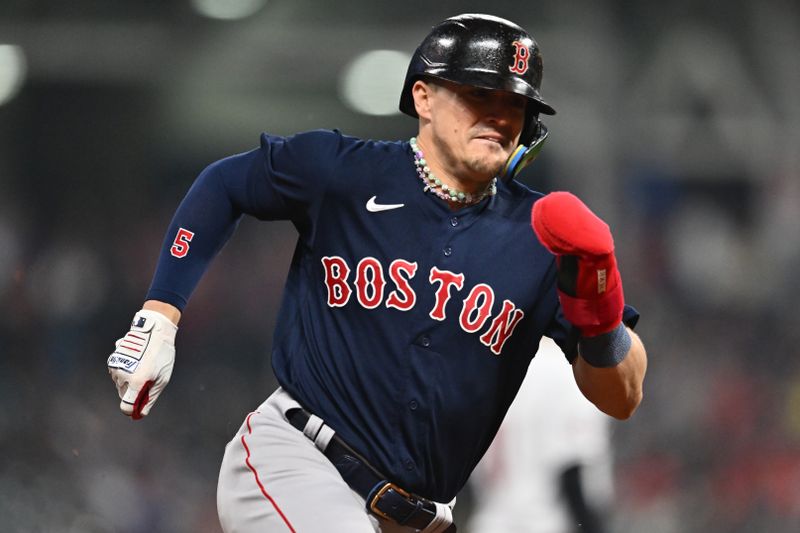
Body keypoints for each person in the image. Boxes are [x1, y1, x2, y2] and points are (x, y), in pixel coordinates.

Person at [106, 13, 647, 533]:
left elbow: (621, 395)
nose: (501, 115)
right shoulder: (345, 171)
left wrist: (599, 306)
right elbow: (226, 183)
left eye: (515, 103)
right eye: (479, 94)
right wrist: (161, 313)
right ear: (424, 96)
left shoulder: (542, 236)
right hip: (300, 459)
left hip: (422, 517)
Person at [467, 337, 614, 533]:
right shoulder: (571, 370)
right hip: (545, 523)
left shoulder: (491, 366)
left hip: (488, 522)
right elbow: (572, 474)